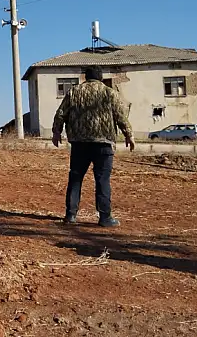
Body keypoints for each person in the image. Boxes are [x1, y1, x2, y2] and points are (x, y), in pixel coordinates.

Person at [52, 66, 135, 228]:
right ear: (101, 78)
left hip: (79, 143)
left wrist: (56, 132)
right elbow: (120, 116)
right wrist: (129, 135)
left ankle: (71, 215)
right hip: (103, 143)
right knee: (102, 180)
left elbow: (61, 113)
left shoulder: (74, 92)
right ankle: (105, 217)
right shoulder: (109, 93)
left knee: (75, 178)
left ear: (85, 77)